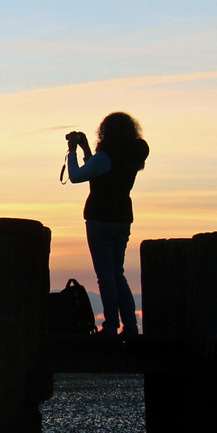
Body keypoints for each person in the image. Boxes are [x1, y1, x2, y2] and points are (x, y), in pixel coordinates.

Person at [65, 112, 150, 335]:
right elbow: (99, 172)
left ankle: (111, 325)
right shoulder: (130, 156)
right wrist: (86, 151)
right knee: (117, 273)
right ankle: (130, 325)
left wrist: (72, 151)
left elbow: (76, 176)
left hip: (99, 219)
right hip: (122, 219)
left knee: (105, 275)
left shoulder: (106, 156)